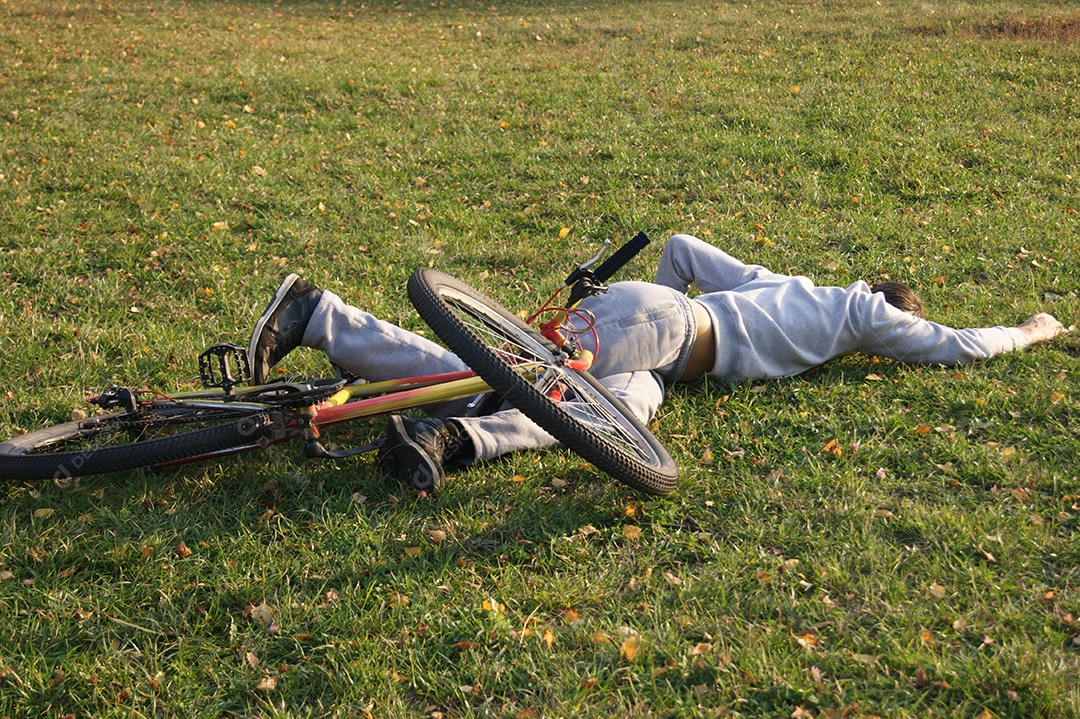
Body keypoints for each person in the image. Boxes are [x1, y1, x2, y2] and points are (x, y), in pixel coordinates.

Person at [248, 234, 1066, 489]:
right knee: (522, 375)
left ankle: (446, 442)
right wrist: (1033, 329)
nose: (898, 332)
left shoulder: (792, 287)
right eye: (900, 319)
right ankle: (321, 314)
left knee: (623, 415)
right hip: (665, 324)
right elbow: (958, 346)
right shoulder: (857, 311)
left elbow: (679, 248)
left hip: (665, 352)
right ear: (888, 304)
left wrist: (639, 298)